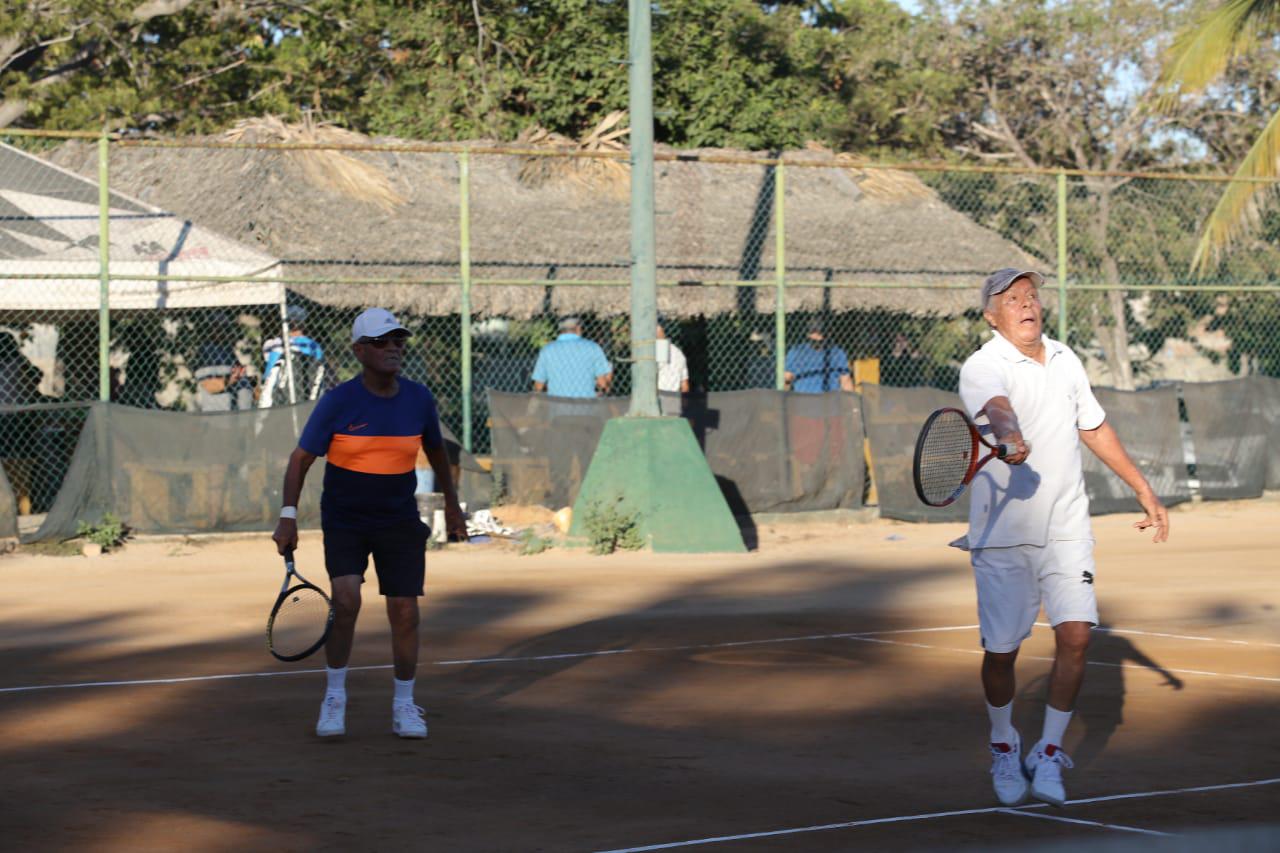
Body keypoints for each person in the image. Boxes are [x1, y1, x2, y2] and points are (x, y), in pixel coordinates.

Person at [957, 269, 1169, 808]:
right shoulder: (982, 366)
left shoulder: (1065, 358)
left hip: (1067, 527)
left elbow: (1091, 426)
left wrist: (1142, 488)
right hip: (1005, 533)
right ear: (991, 316)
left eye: (1031, 296)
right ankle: (1004, 742)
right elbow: (997, 409)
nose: (1026, 304)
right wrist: (1009, 437)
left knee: (1076, 637)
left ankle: (1049, 751)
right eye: (1012, 299)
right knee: (1001, 653)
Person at [272, 307, 468, 740]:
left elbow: (437, 451)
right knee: (345, 602)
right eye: (382, 342)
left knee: (405, 612)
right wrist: (288, 517)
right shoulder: (338, 401)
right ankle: (334, 697)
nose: (393, 348)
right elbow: (300, 460)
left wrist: (452, 504)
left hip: (398, 519)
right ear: (359, 351)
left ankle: (404, 704)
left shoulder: (418, 398)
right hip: (345, 519)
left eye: (398, 340)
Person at [260, 305, 328, 406]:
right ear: (304, 324)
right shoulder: (313, 346)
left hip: (280, 396)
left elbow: (269, 374)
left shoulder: (275, 344)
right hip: (307, 392)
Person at [531, 317, 612, 398]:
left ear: (560, 330)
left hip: (556, 403)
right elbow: (602, 384)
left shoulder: (547, 349)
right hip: (586, 403)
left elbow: (538, 386)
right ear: (578, 328)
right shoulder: (593, 347)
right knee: (609, 367)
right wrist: (609, 373)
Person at [784, 319, 854, 393]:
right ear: (807, 334)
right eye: (813, 331)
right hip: (804, 397)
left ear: (828, 333)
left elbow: (846, 381)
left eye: (820, 331)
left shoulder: (837, 353)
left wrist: (851, 399)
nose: (816, 335)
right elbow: (787, 379)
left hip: (830, 398)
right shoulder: (797, 351)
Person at [655, 321, 689, 415]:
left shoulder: (655, 352)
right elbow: (685, 385)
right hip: (674, 398)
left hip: (658, 397)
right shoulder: (678, 353)